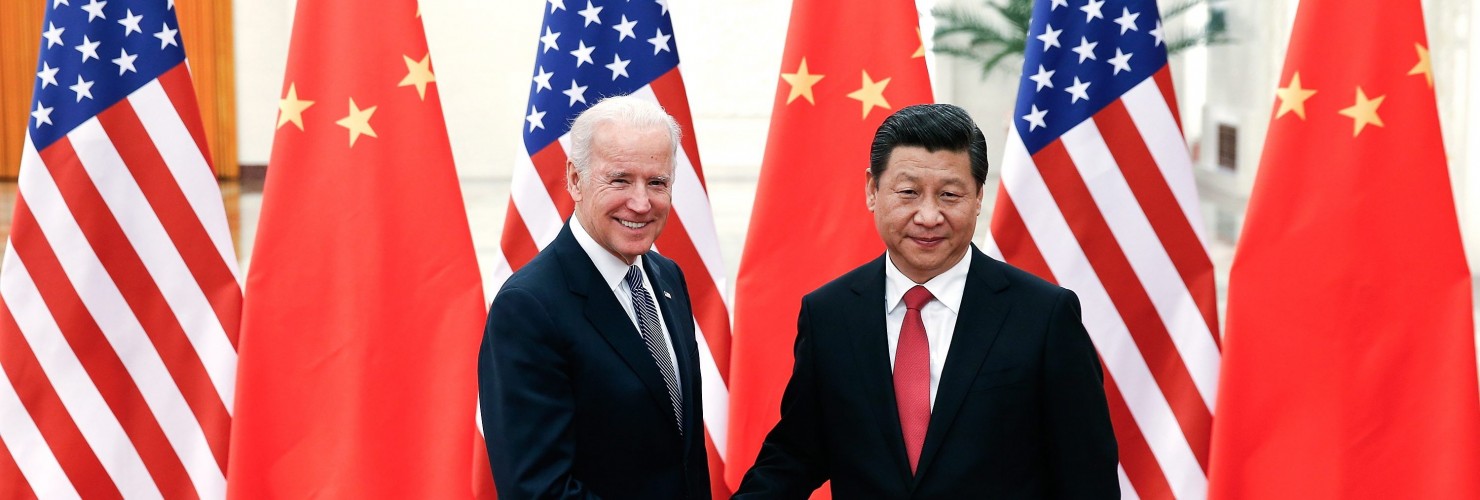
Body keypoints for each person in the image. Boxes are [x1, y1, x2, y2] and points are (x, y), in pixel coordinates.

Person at [734, 104, 1119, 499]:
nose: (929, 216)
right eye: (909, 193)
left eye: (950, 195)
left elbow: (1087, 476)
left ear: (978, 197)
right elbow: (795, 455)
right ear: (872, 190)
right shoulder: (830, 314)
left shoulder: (1044, 316)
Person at [479, 95, 709, 499]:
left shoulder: (667, 277)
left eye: (657, 182)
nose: (641, 203)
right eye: (620, 179)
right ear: (574, 179)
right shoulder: (529, 307)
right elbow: (538, 488)